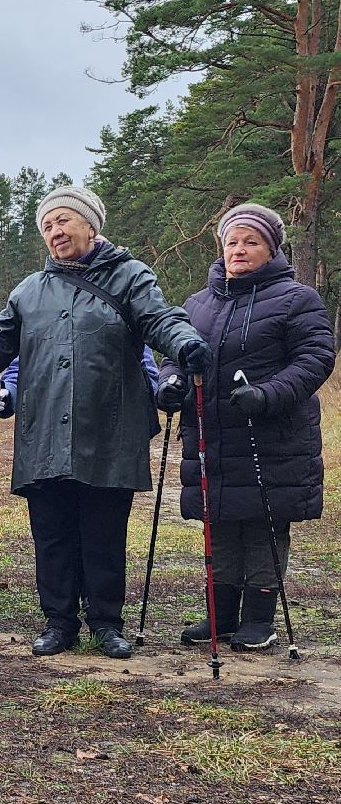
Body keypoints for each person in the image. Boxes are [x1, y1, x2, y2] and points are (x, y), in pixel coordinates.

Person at [0, 186, 210, 659]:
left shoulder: (131, 277)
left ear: (91, 225)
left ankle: (106, 623)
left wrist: (185, 344)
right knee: (52, 533)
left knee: (104, 532)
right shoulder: (28, 291)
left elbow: (160, 320)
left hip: (109, 430)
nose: (55, 232)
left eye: (63, 221)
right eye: (47, 226)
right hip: (43, 431)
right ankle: (59, 622)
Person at [157, 203, 335, 650]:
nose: (238, 249)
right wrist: (171, 382)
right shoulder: (197, 303)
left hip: (272, 436)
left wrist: (268, 394)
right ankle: (220, 617)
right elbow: (173, 355)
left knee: (262, 525)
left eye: (251, 242)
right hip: (211, 436)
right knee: (218, 522)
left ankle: (259, 619)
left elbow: (316, 358)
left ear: (271, 249)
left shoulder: (297, 299)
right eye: (232, 241)